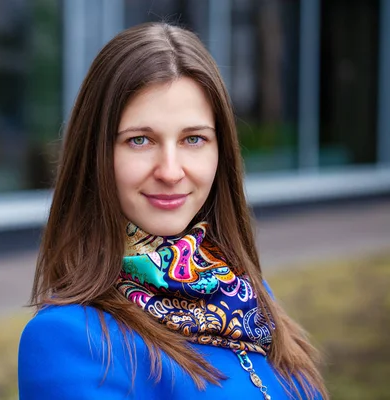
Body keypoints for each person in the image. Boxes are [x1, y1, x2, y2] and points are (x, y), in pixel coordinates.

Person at [18, 22, 328, 400]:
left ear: (221, 152)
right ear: (95, 155)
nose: (169, 171)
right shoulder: (66, 338)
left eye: (193, 139)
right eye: (140, 140)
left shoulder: (246, 293)